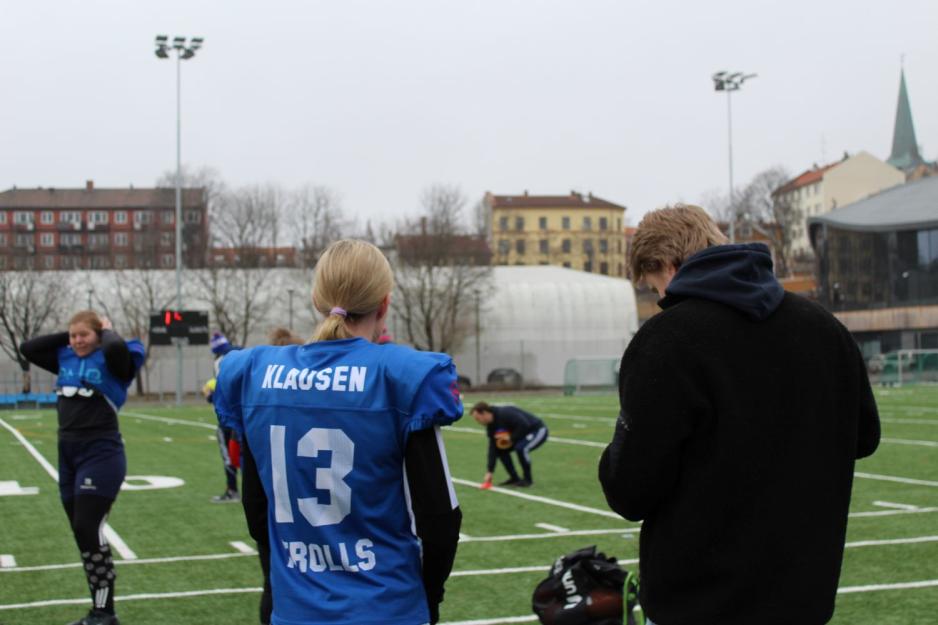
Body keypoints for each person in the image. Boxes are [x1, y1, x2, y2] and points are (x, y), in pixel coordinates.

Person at [598, 204, 880, 625]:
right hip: (804, 595)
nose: (660, 300)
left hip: (698, 601)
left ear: (667, 266)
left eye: (655, 287)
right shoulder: (823, 326)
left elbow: (630, 488)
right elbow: (864, 437)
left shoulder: (667, 339)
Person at [213, 239, 463, 625]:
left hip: (295, 608)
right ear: (384, 303)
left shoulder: (255, 372)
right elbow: (440, 519)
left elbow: (256, 510)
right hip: (385, 606)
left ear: (317, 298)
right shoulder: (400, 375)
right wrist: (430, 595)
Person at [20, 311, 145, 625]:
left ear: (99, 335)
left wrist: (105, 330)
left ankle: (105, 612)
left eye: (83, 336)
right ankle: (100, 611)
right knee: (82, 535)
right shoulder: (65, 356)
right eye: (73, 336)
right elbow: (29, 348)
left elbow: (116, 349)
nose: (76, 341)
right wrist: (71, 334)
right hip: (68, 453)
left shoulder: (114, 358)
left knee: (87, 527)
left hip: (101, 452)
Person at [471, 401, 548, 488]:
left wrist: (511, 438)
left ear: (484, 413)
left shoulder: (504, 413)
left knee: (521, 448)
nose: (477, 422)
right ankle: (514, 478)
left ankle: (528, 480)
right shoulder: (490, 427)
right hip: (521, 434)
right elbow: (493, 449)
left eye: (478, 418)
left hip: (537, 430)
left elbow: (524, 425)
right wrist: (490, 471)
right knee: (500, 450)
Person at [209, 331, 240, 503]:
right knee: (244, 456)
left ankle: (232, 490)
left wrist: (210, 396)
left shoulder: (221, 361)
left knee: (228, 454)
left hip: (228, 415)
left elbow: (224, 389)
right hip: (244, 415)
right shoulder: (240, 354)